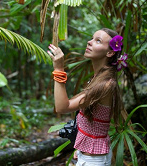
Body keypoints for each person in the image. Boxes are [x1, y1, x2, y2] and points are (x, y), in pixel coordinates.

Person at [47, 28, 126, 166]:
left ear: (110, 52)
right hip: (91, 156)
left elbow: (62, 107)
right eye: (92, 38)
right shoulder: (99, 79)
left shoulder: (104, 85)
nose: (89, 42)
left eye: (98, 41)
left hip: (93, 160)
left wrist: (59, 69)